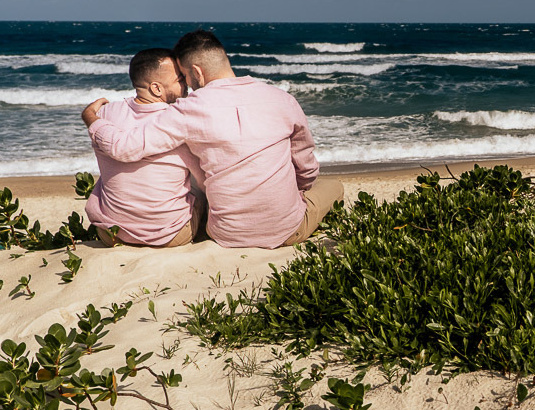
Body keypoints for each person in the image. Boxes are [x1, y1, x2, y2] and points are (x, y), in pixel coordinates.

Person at [81, 29, 343, 249]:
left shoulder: (189, 109)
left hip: (225, 235)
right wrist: (297, 189)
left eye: (185, 76)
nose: (187, 85)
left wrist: (93, 118)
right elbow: (306, 167)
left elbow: (127, 147)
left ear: (197, 72)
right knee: (335, 186)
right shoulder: (283, 99)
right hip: (288, 231)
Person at [85, 48, 206, 247]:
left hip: (112, 234)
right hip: (170, 237)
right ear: (156, 89)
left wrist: (89, 114)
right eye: (180, 79)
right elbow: (203, 181)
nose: (187, 84)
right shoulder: (179, 121)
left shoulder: (105, 113)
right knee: (200, 186)